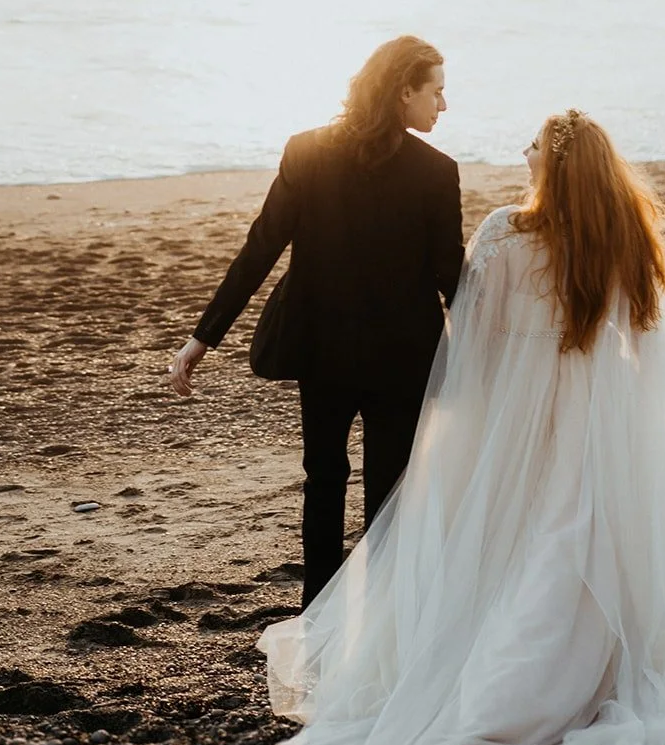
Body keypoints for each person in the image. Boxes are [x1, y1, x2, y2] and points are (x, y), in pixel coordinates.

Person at [213, 110, 665, 745]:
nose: (519, 151)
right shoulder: (627, 235)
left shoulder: (506, 232)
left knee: (506, 541)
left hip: (516, 420)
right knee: (577, 538)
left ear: (547, 164)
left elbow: (470, 343)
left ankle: (498, 698)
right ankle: (592, 669)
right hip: (593, 421)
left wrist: (465, 428)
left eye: (530, 145)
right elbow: (643, 351)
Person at [169, 35, 465, 607]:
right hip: (401, 358)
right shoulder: (436, 172)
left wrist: (202, 338)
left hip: (323, 351)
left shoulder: (307, 150)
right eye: (437, 91)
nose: (443, 106)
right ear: (404, 90)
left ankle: (317, 610)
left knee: (323, 479)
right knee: (389, 493)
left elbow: (260, 249)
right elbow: (449, 277)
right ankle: (384, 615)